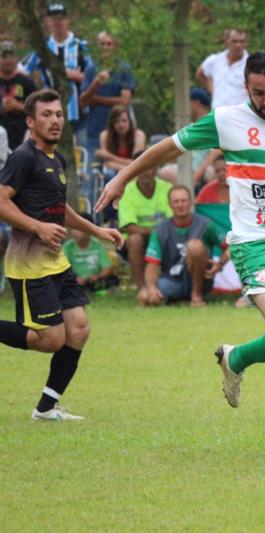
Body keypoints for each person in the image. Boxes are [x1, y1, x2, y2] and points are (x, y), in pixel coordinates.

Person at [95, 50, 265, 430]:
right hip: (253, 243)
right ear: (246, 89)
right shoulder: (225, 121)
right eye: (259, 93)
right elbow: (167, 148)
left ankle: (236, 358)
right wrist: (122, 177)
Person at [0, 89, 122, 421]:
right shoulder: (23, 158)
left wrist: (98, 231)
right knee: (51, 339)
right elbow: (1, 201)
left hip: (56, 261)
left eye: (58, 114)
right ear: (30, 121)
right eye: (46, 115)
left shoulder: (57, 159)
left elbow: (59, 208)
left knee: (79, 328)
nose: (54, 121)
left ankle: (46, 408)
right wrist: (37, 227)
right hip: (29, 266)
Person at [140, 185, 227, 307]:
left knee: (195, 246)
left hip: (201, 280)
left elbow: (230, 246)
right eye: (176, 201)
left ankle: (196, 296)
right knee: (144, 296)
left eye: (184, 201)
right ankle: (178, 299)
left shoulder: (206, 224)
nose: (180, 205)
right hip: (171, 280)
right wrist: (151, 288)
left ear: (191, 202)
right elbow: (152, 264)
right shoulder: (160, 229)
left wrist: (220, 264)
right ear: (170, 205)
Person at [22, 3, 92, 139]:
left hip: (80, 112)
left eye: (61, 18)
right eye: (54, 19)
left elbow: (96, 76)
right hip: (50, 113)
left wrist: (79, 77)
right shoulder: (42, 47)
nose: (58, 22)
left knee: (82, 155)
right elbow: (22, 70)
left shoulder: (81, 46)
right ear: (48, 21)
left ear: (67, 20)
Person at [117, 152, 172, 296]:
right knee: (135, 240)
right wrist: (156, 231)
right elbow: (130, 228)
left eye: (150, 167)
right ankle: (142, 289)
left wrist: (157, 232)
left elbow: (173, 221)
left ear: (156, 169)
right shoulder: (126, 191)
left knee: (175, 235)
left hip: (164, 235)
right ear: (135, 170)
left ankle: (172, 285)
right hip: (141, 238)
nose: (147, 172)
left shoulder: (167, 188)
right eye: (142, 167)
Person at [78, 31, 135, 166]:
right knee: (92, 175)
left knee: (116, 172)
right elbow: (83, 102)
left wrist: (97, 100)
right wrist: (96, 83)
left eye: (109, 44)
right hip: (94, 132)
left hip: (118, 134)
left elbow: (125, 101)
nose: (105, 47)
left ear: (115, 46)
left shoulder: (124, 69)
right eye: (102, 44)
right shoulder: (91, 70)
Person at [62, 213, 118, 292]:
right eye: (72, 229)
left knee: (112, 280)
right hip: (75, 279)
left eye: (77, 229)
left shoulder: (97, 245)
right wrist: (75, 278)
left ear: (88, 230)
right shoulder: (68, 247)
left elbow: (107, 268)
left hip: (93, 279)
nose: (74, 232)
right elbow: (63, 269)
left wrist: (97, 276)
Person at [196, 29, 249, 108]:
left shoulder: (251, 64)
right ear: (226, 41)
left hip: (240, 114)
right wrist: (214, 92)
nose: (238, 45)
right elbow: (200, 73)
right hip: (217, 113)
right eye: (234, 41)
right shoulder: (215, 60)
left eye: (242, 41)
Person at [0, 41, 37, 150]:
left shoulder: (27, 82)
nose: (8, 61)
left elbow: (39, 110)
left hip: (23, 139)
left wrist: (19, 106)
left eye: (11, 57)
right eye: (4, 57)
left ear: (16, 59)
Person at [95, 104, 146, 174]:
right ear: (112, 124)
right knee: (108, 174)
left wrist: (109, 156)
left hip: (135, 174)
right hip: (115, 173)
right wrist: (125, 169)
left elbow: (136, 163)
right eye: (117, 122)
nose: (121, 125)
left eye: (124, 121)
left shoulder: (139, 135)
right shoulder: (105, 135)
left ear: (130, 122)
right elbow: (108, 163)